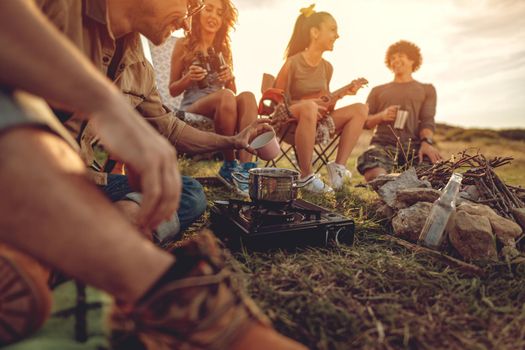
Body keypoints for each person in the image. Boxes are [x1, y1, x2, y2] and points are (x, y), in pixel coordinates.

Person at [0, 1, 306, 349]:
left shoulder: (138, 65)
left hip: (83, 184)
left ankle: (77, 243)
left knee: (186, 191)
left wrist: (231, 140)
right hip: (25, 174)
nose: (187, 20)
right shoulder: (57, 7)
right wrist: (105, 102)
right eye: (189, 5)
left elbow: (170, 129)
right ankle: (167, 295)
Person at [273, 4, 368, 193]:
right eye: (332, 29)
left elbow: (326, 104)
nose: (337, 35)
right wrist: (306, 105)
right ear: (315, 32)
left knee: (360, 108)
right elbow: (276, 100)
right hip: (290, 124)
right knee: (308, 107)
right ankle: (306, 176)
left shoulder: (327, 68)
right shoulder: (292, 63)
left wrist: (344, 93)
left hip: (317, 123)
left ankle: (338, 168)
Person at [169, 0, 260, 195]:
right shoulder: (183, 44)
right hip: (193, 105)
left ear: (224, 19)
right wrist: (188, 78)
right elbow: (172, 89)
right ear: (198, 13)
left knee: (248, 97)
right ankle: (228, 165)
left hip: (223, 107)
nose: (213, 16)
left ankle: (244, 170)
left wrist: (230, 77)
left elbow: (232, 90)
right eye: (209, 9)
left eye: (219, 13)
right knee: (226, 96)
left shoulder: (224, 48)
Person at [357, 40, 442, 182]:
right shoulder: (378, 90)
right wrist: (381, 116)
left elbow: (428, 119)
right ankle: (393, 182)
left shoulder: (427, 89)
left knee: (434, 170)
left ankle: (401, 183)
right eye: (392, 58)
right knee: (372, 168)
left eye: (400, 56)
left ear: (412, 60)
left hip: (413, 145)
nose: (395, 60)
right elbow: (365, 122)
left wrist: (427, 143)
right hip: (383, 143)